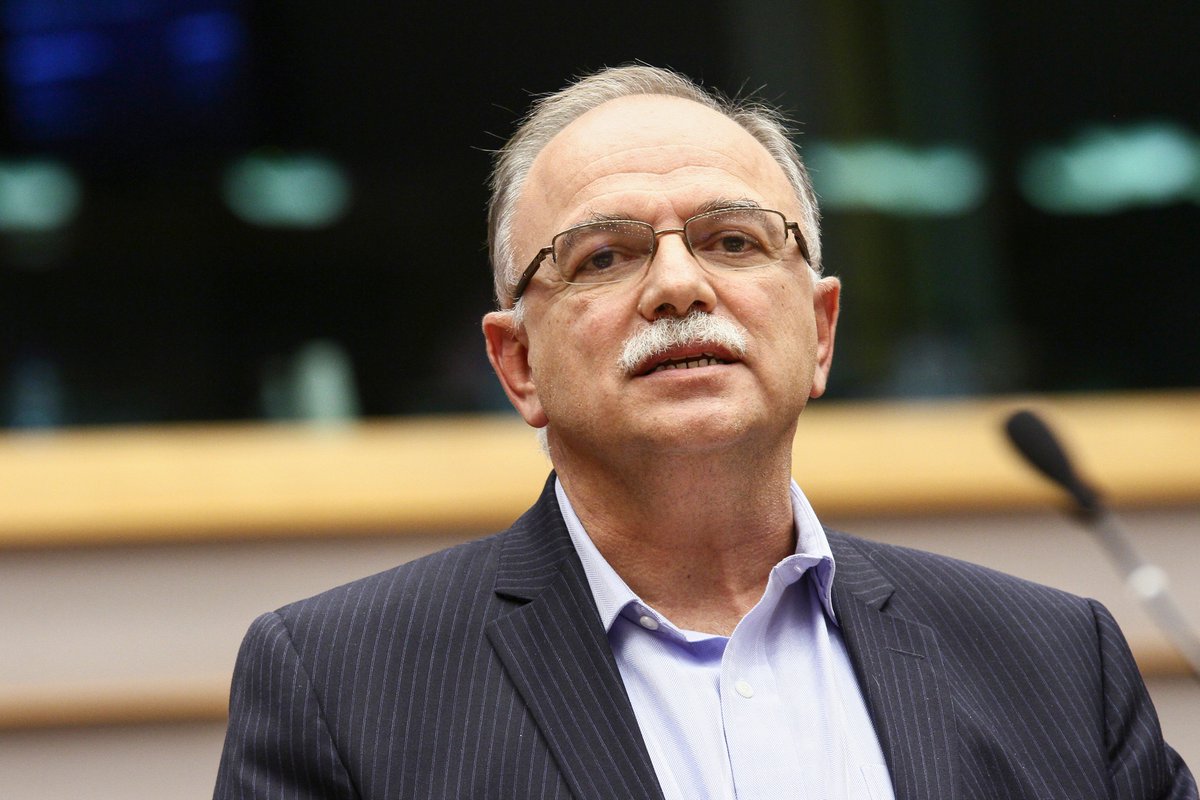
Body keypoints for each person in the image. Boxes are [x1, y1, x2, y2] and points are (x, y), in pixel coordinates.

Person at [213, 65, 1196, 800]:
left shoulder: (1056, 659)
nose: (680, 285)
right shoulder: (341, 685)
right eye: (604, 255)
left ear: (820, 332)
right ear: (518, 365)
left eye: (733, 240)